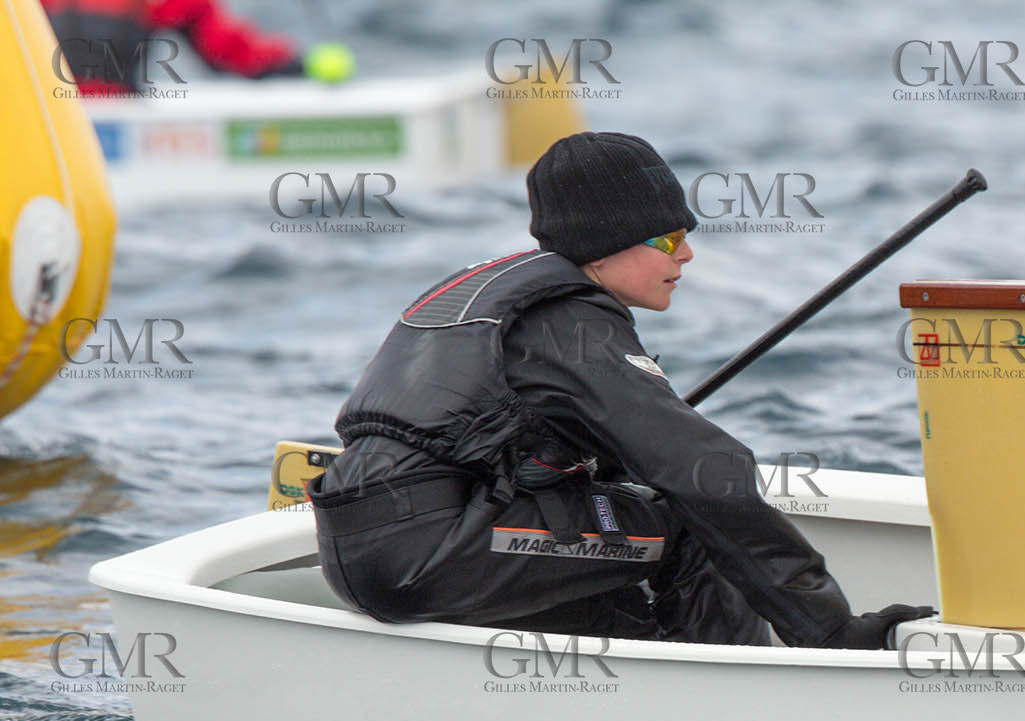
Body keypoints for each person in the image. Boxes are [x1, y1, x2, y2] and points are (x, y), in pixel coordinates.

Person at [308, 131, 932, 649]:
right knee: (687, 518)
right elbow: (708, 473)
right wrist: (831, 632)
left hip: (361, 551)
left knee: (624, 533)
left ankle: (646, 684)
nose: (686, 254)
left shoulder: (480, 293)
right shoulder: (572, 322)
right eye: (665, 239)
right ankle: (754, 698)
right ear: (601, 246)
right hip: (431, 554)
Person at [43, 0, 303, 94]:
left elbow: (227, 48)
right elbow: (229, 51)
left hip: (57, 122)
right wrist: (287, 60)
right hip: (111, 126)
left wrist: (285, 61)